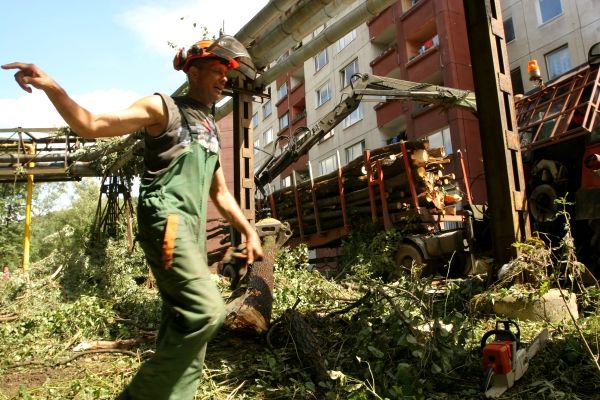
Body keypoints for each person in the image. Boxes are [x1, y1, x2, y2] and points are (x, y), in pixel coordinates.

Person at [2, 35, 264, 400]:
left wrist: (248, 231)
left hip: (187, 226)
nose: (224, 80)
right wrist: (53, 87)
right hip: (167, 221)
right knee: (206, 312)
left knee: (183, 324)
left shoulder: (208, 125)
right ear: (193, 69)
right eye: (218, 71)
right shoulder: (163, 107)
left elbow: (218, 191)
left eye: (227, 74)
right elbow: (92, 124)